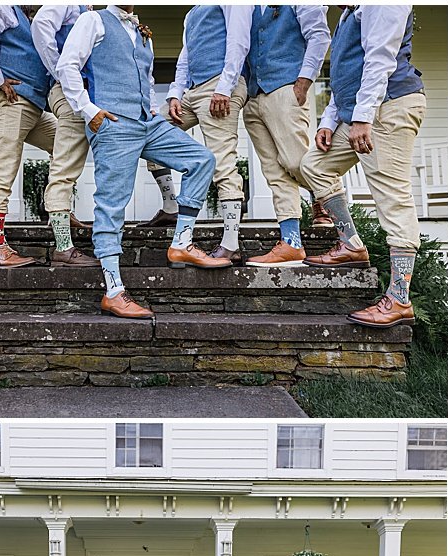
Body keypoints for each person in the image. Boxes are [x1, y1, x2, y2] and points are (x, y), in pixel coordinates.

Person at [56, 4, 227, 321]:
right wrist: (89, 111)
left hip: (147, 123)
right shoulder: (93, 19)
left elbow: (146, 79)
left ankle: (182, 242)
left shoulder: (141, 31)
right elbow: (67, 66)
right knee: (112, 205)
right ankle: (113, 292)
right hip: (114, 123)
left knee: (201, 158)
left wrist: (150, 108)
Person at [299, 4, 429, 330]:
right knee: (314, 164)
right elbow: (346, 73)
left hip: (387, 108)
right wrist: (329, 121)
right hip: (358, 111)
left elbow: (380, 60)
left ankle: (399, 299)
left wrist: (361, 117)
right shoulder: (349, 13)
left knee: (393, 199)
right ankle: (351, 244)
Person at [240, 4, 330, 267]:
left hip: (285, 89)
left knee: (295, 161)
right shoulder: (246, 9)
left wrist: (304, 81)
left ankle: (327, 203)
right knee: (274, 172)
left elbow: (319, 36)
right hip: (253, 97)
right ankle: (291, 243)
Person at [0, 5, 53, 268]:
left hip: (32, 104)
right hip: (7, 98)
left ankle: (57, 209)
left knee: (66, 143)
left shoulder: (31, 20)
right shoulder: (4, 8)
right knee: (3, 168)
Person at [166, 4, 252, 261]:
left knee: (222, 162)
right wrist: (175, 93)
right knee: (150, 132)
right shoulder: (191, 13)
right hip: (191, 92)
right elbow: (185, 56)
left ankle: (231, 243)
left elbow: (239, 42)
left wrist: (225, 87)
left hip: (218, 85)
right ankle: (170, 205)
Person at [30, 3, 101, 266]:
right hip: (71, 93)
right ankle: (63, 246)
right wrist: (60, 71)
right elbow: (41, 25)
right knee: (65, 166)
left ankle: (63, 217)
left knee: (70, 162)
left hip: (88, 94)